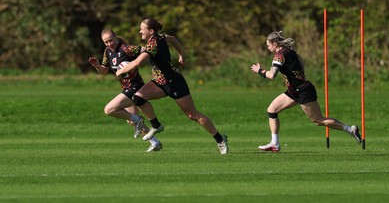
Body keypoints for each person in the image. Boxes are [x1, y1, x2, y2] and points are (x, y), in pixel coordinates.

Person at [115, 18, 229, 154]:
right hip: (159, 82)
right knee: (138, 98)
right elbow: (173, 39)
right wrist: (181, 54)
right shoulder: (161, 37)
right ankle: (156, 125)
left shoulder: (153, 45)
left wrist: (121, 71)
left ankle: (220, 139)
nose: (140, 31)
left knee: (192, 115)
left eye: (142, 29)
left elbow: (137, 63)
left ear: (151, 31)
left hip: (174, 82)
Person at [250, 31, 361, 152]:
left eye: (268, 45)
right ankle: (275, 143)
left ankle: (350, 130)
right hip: (295, 89)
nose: (267, 47)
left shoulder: (279, 55)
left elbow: (272, 75)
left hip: (302, 90)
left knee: (318, 120)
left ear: (275, 43)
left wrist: (259, 71)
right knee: (272, 110)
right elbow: (302, 64)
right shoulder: (291, 51)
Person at [88, 29, 162, 152]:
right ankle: (155, 143)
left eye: (111, 40)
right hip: (126, 88)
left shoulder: (126, 48)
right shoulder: (107, 52)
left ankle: (139, 120)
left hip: (135, 87)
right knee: (131, 119)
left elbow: (145, 50)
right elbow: (105, 72)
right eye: (106, 42)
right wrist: (97, 65)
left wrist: (152, 62)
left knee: (109, 110)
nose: (109, 44)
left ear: (116, 37)